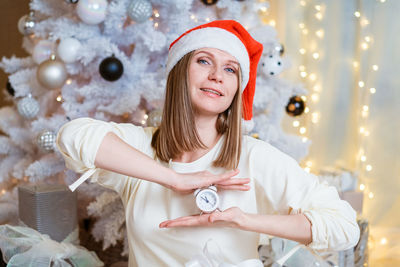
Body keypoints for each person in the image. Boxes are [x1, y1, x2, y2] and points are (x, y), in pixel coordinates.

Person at [56, 20, 360, 266]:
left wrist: (244, 221)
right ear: (179, 74)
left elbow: (344, 228)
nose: (217, 76)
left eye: (230, 69)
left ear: (236, 89)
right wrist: (174, 179)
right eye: (204, 61)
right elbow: (72, 137)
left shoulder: (254, 159)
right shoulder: (141, 150)